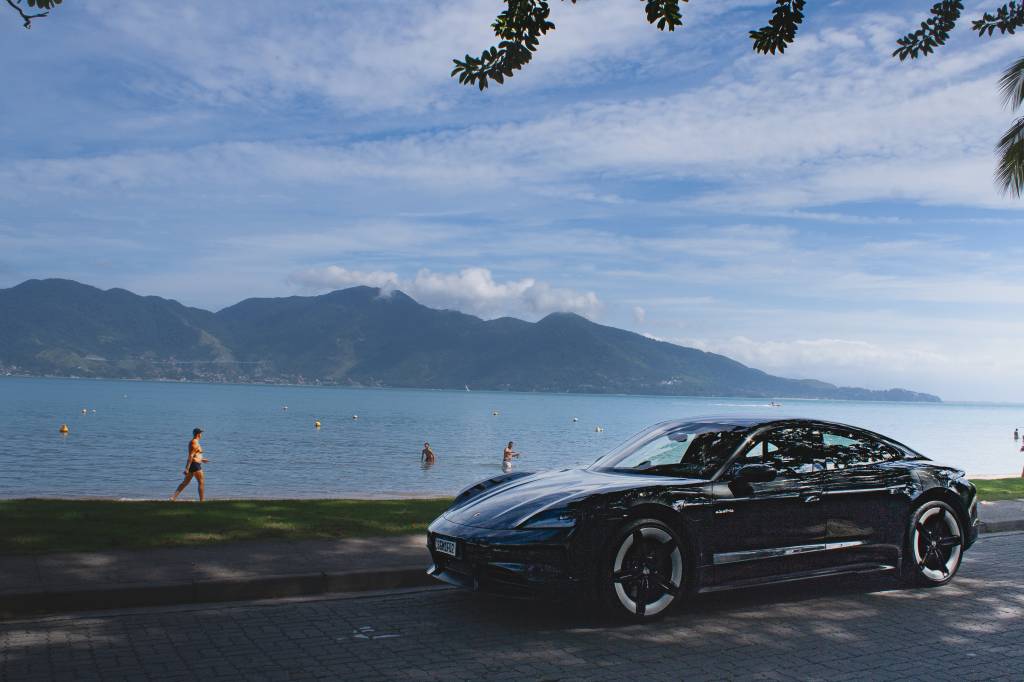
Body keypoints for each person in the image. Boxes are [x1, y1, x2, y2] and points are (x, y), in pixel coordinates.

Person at [171, 428, 209, 501]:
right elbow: (191, 455)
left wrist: (202, 460)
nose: (201, 435)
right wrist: (187, 468)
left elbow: (195, 455)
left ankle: (173, 498)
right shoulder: (194, 442)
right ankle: (202, 500)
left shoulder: (195, 442)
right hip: (195, 465)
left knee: (185, 482)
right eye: (201, 433)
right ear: (198, 434)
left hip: (194, 464)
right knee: (201, 482)